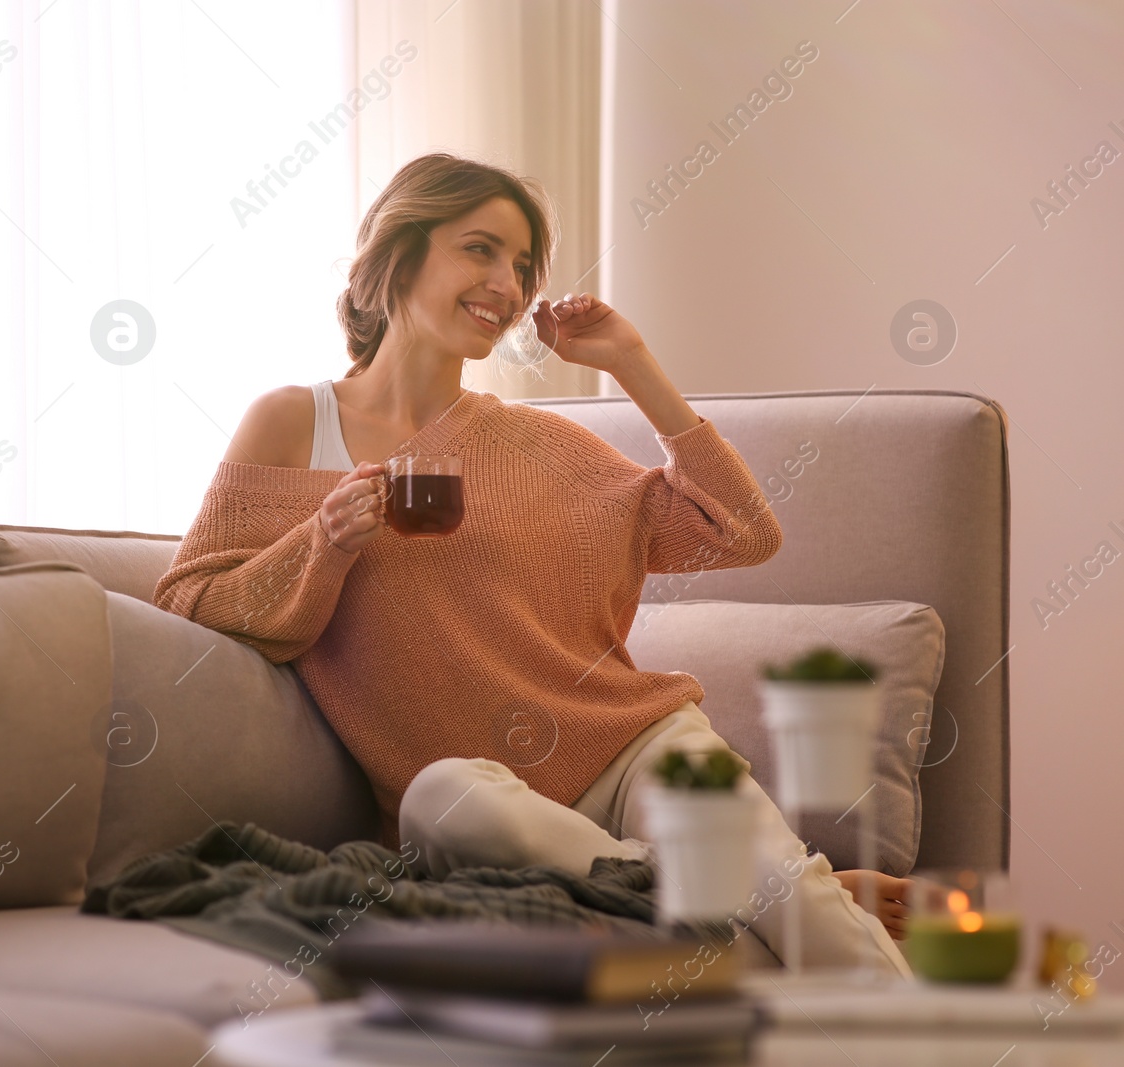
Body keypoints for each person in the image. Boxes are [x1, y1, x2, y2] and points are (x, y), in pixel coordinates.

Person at [154, 151, 910, 975]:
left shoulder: (543, 447)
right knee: (438, 798)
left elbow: (742, 533)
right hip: (483, 795)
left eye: (520, 265)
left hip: (634, 749)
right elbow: (191, 601)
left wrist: (631, 362)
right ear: (396, 256)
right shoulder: (293, 424)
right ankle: (743, 883)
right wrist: (323, 542)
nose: (507, 285)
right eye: (479, 249)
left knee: (822, 933)